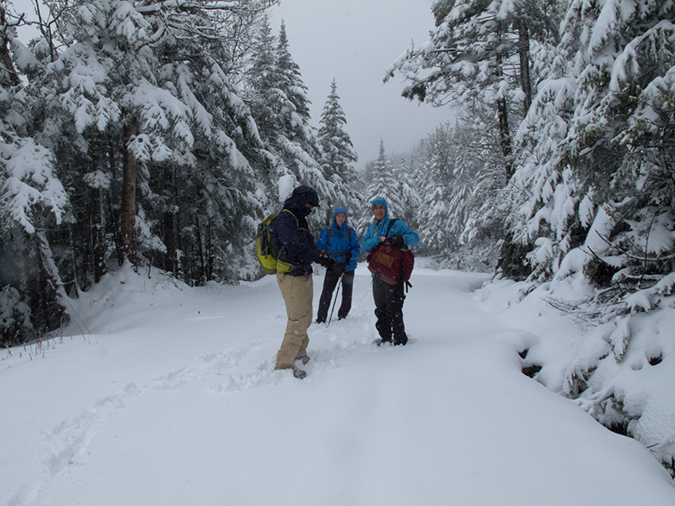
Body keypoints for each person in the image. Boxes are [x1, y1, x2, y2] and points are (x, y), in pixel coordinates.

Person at [269, 185, 328, 378]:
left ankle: (300, 352)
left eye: (313, 206)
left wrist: (322, 258)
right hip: (290, 274)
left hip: (302, 273)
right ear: (301, 200)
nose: (311, 208)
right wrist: (314, 255)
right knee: (297, 319)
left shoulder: (299, 218)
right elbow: (294, 246)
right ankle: (284, 363)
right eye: (310, 204)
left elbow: (308, 244)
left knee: (306, 316)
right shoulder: (286, 218)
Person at [361, 197, 419, 346]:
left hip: (394, 275)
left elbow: (415, 238)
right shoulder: (372, 228)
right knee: (380, 308)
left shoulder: (396, 224)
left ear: (385, 209)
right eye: (376, 208)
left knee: (394, 308)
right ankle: (385, 337)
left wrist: (400, 238)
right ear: (373, 210)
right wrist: (379, 240)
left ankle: (400, 339)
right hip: (377, 274)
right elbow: (365, 245)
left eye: (381, 208)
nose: (378, 211)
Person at [315, 207, 361, 323]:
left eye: (343, 216)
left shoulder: (350, 231)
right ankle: (321, 318)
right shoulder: (328, 231)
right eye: (339, 216)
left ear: (346, 218)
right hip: (332, 266)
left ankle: (343, 316)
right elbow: (318, 246)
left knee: (347, 293)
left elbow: (356, 249)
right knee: (327, 292)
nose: (341, 218)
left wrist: (350, 255)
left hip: (348, 267)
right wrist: (321, 258)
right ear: (335, 217)